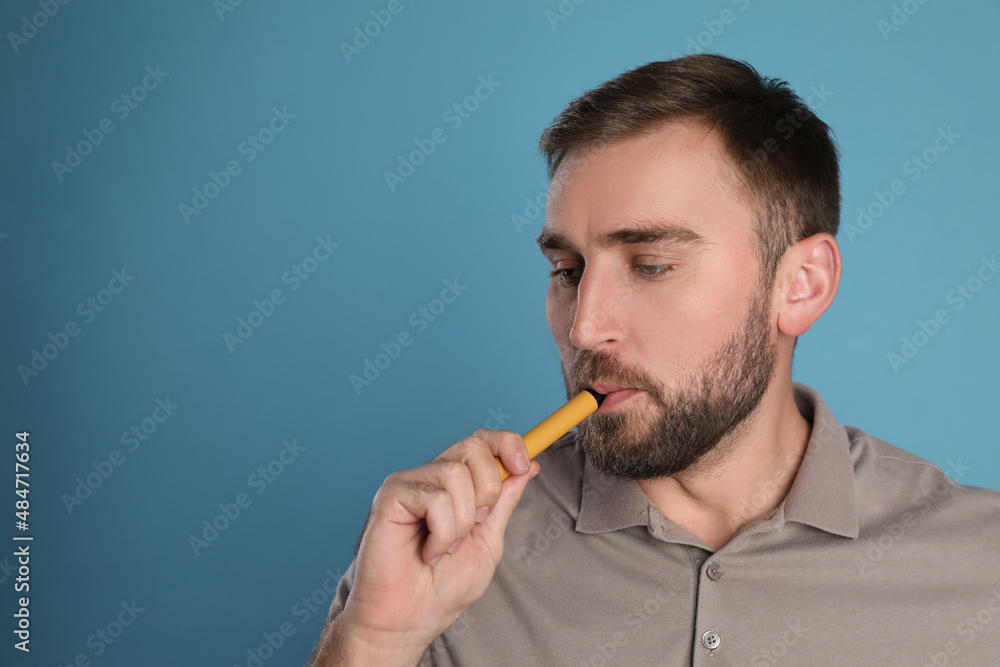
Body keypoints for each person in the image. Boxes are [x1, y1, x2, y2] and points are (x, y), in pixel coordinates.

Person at [308, 55, 1000, 666]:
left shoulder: (981, 566)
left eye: (651, 265)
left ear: (801, 285)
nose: (585, 328)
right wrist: (374, 643)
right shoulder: (448, 554)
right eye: (567, 270)